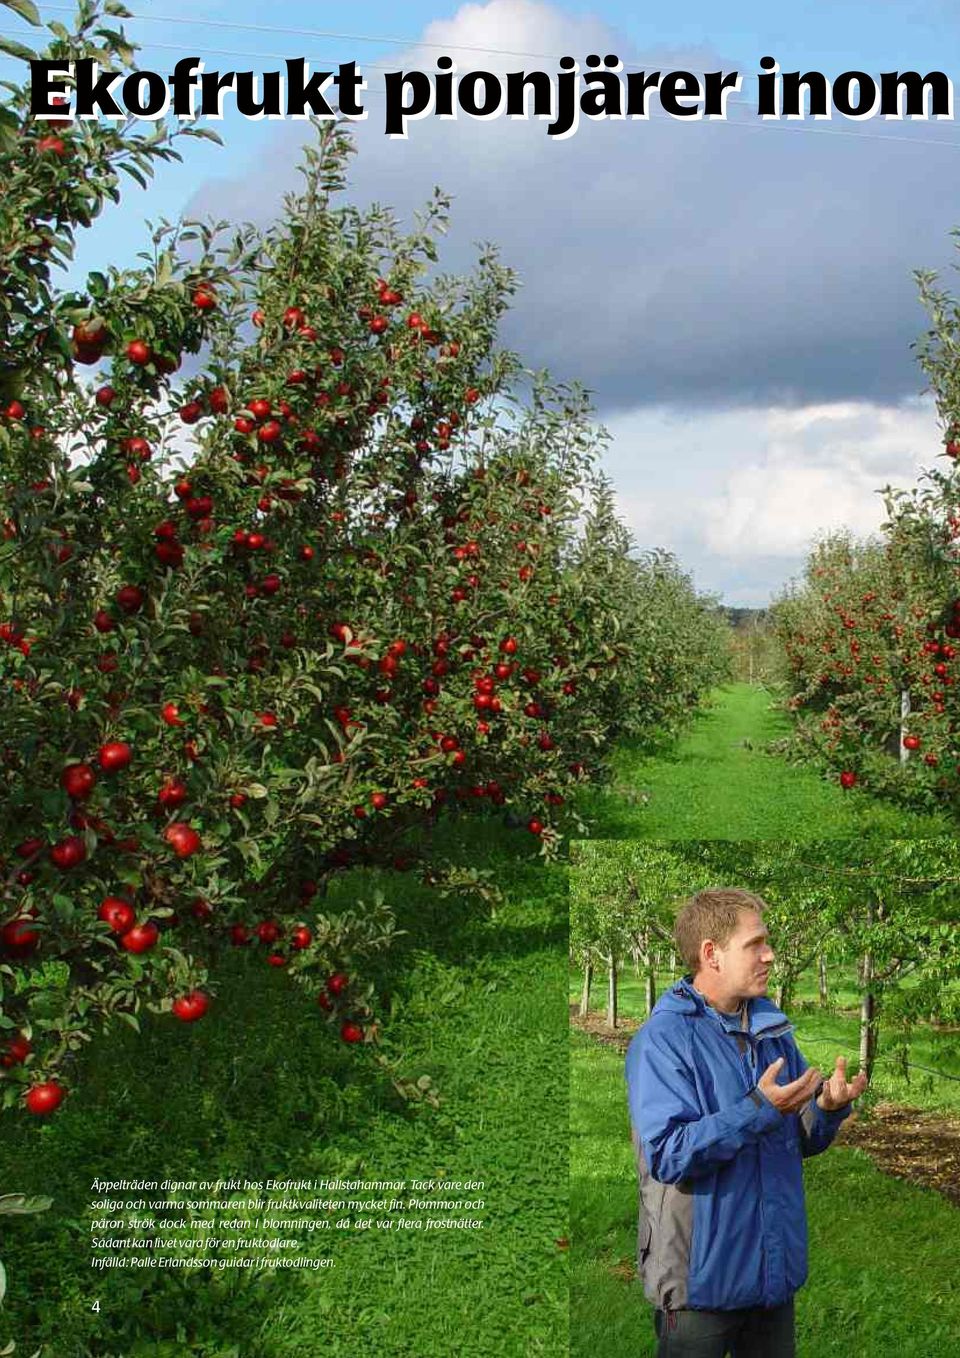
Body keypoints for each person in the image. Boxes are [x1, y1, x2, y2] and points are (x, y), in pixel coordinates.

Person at [624, 887, 868, 1358]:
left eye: (767, 942)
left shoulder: (770, 1030)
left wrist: (827, 1108)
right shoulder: (663, 1041)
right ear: (711, 954)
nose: (770, 955)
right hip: (703, 1284)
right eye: (755, 944)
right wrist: (759, 1108)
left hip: (771, 1272)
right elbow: (669, 1153)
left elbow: (799, 1136)